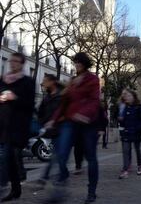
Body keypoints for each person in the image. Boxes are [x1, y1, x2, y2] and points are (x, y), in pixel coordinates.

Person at [48, 52, 100, 204]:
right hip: (70, 121)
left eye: (79, 63)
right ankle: (63, 176)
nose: (76, 65)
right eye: (75, 62)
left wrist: (84, 114)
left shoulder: (93, 79)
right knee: (61, 154)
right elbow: (64, 103)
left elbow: (94, 101)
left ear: (85, 64)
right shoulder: (71, 81)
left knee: (91, 158)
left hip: (88, 123)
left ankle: (91, 192)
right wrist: (53, 119)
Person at [0, 53, 35, 202]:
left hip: (18, 126)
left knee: (7, 157)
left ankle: (5, 187)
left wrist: (15, 98)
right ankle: (16, 189)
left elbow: (29, 104)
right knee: (10, 160)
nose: (12, 63)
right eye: (11, 61)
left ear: (22, 64)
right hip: (3, 124)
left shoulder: (27, 82)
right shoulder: (3, 80)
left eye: (16, 61)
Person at [35, 74, 63, 188]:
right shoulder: (46, 97)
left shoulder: (61, 96)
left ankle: (46, 177)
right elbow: (41, 113)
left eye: (45, 81)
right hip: (50, 130)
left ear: (52, 82)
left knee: (57, 154)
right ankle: (60, 176)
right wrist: (42, 122)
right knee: (58, 155)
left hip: (60, 129)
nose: (43, 83)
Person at [118, 89, 141, 179]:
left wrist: (138, 128)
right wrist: (121, 121)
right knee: (126, 151)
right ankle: (125, 169)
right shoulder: (125, 106)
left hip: (136, 132)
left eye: (129, 96)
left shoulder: (139, 107)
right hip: (126, 132)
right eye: (126, 96)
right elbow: (122, 120)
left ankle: (139, 165)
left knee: (137, 149)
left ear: (134, 97)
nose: (127, 97)